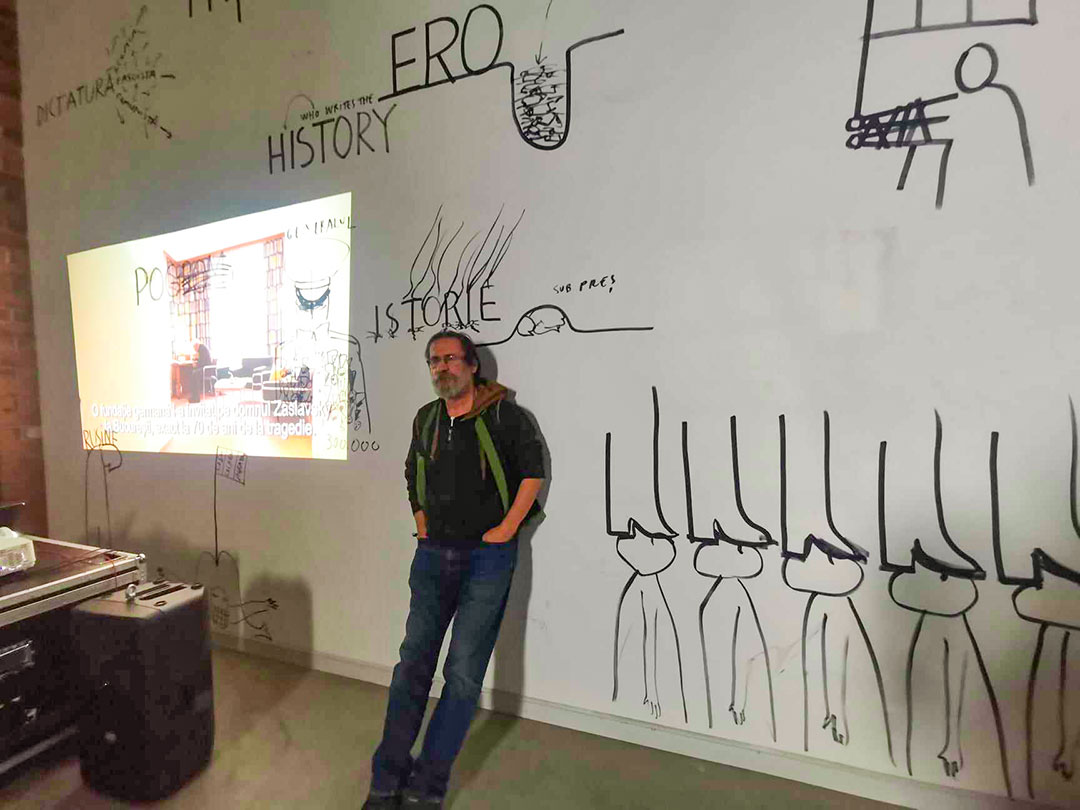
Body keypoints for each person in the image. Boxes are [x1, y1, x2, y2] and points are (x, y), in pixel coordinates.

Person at [364, 330, 545, 809]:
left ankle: (427, 789)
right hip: (432, 557)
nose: (441, 368)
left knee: (462, 675)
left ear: (472, 365)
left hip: (486, 560)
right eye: (434, 361)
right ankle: (386, 782)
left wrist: (506, 529)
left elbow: (532, 473)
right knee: (411, 668)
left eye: (450, 359)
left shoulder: (506, 416)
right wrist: (422, 523)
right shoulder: (426, 418)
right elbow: (412, 472)